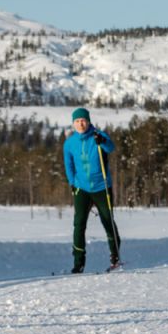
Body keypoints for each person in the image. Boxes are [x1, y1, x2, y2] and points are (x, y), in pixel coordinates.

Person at [63, 107, 121, 273]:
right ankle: (78, 262)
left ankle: (115, 255)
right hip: (81, 188)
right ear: (73, 124)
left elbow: (111, 148)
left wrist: (102, 141)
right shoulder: (69, 143)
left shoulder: (98, 135)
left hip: (102, 186)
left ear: (88, 121)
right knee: (79, 224)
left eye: (83, 120)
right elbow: (69, 165)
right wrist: (72, 183)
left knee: (107, 220)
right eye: (77, 121)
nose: (80, 124)